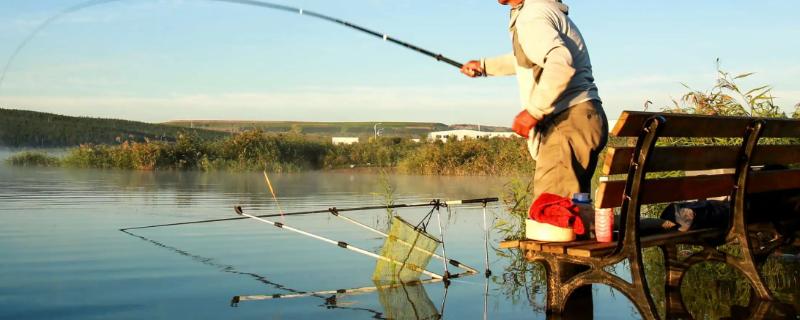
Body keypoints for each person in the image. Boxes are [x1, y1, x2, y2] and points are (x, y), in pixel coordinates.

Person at [461, 0, 608, 200]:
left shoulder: (531, 15)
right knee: (573, 213)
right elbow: (529, 58)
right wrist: (485, 66)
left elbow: (560, 61)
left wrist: (534, 111)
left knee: (552, 217)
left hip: (566, 122)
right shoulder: (540, 9)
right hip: (583, 118)